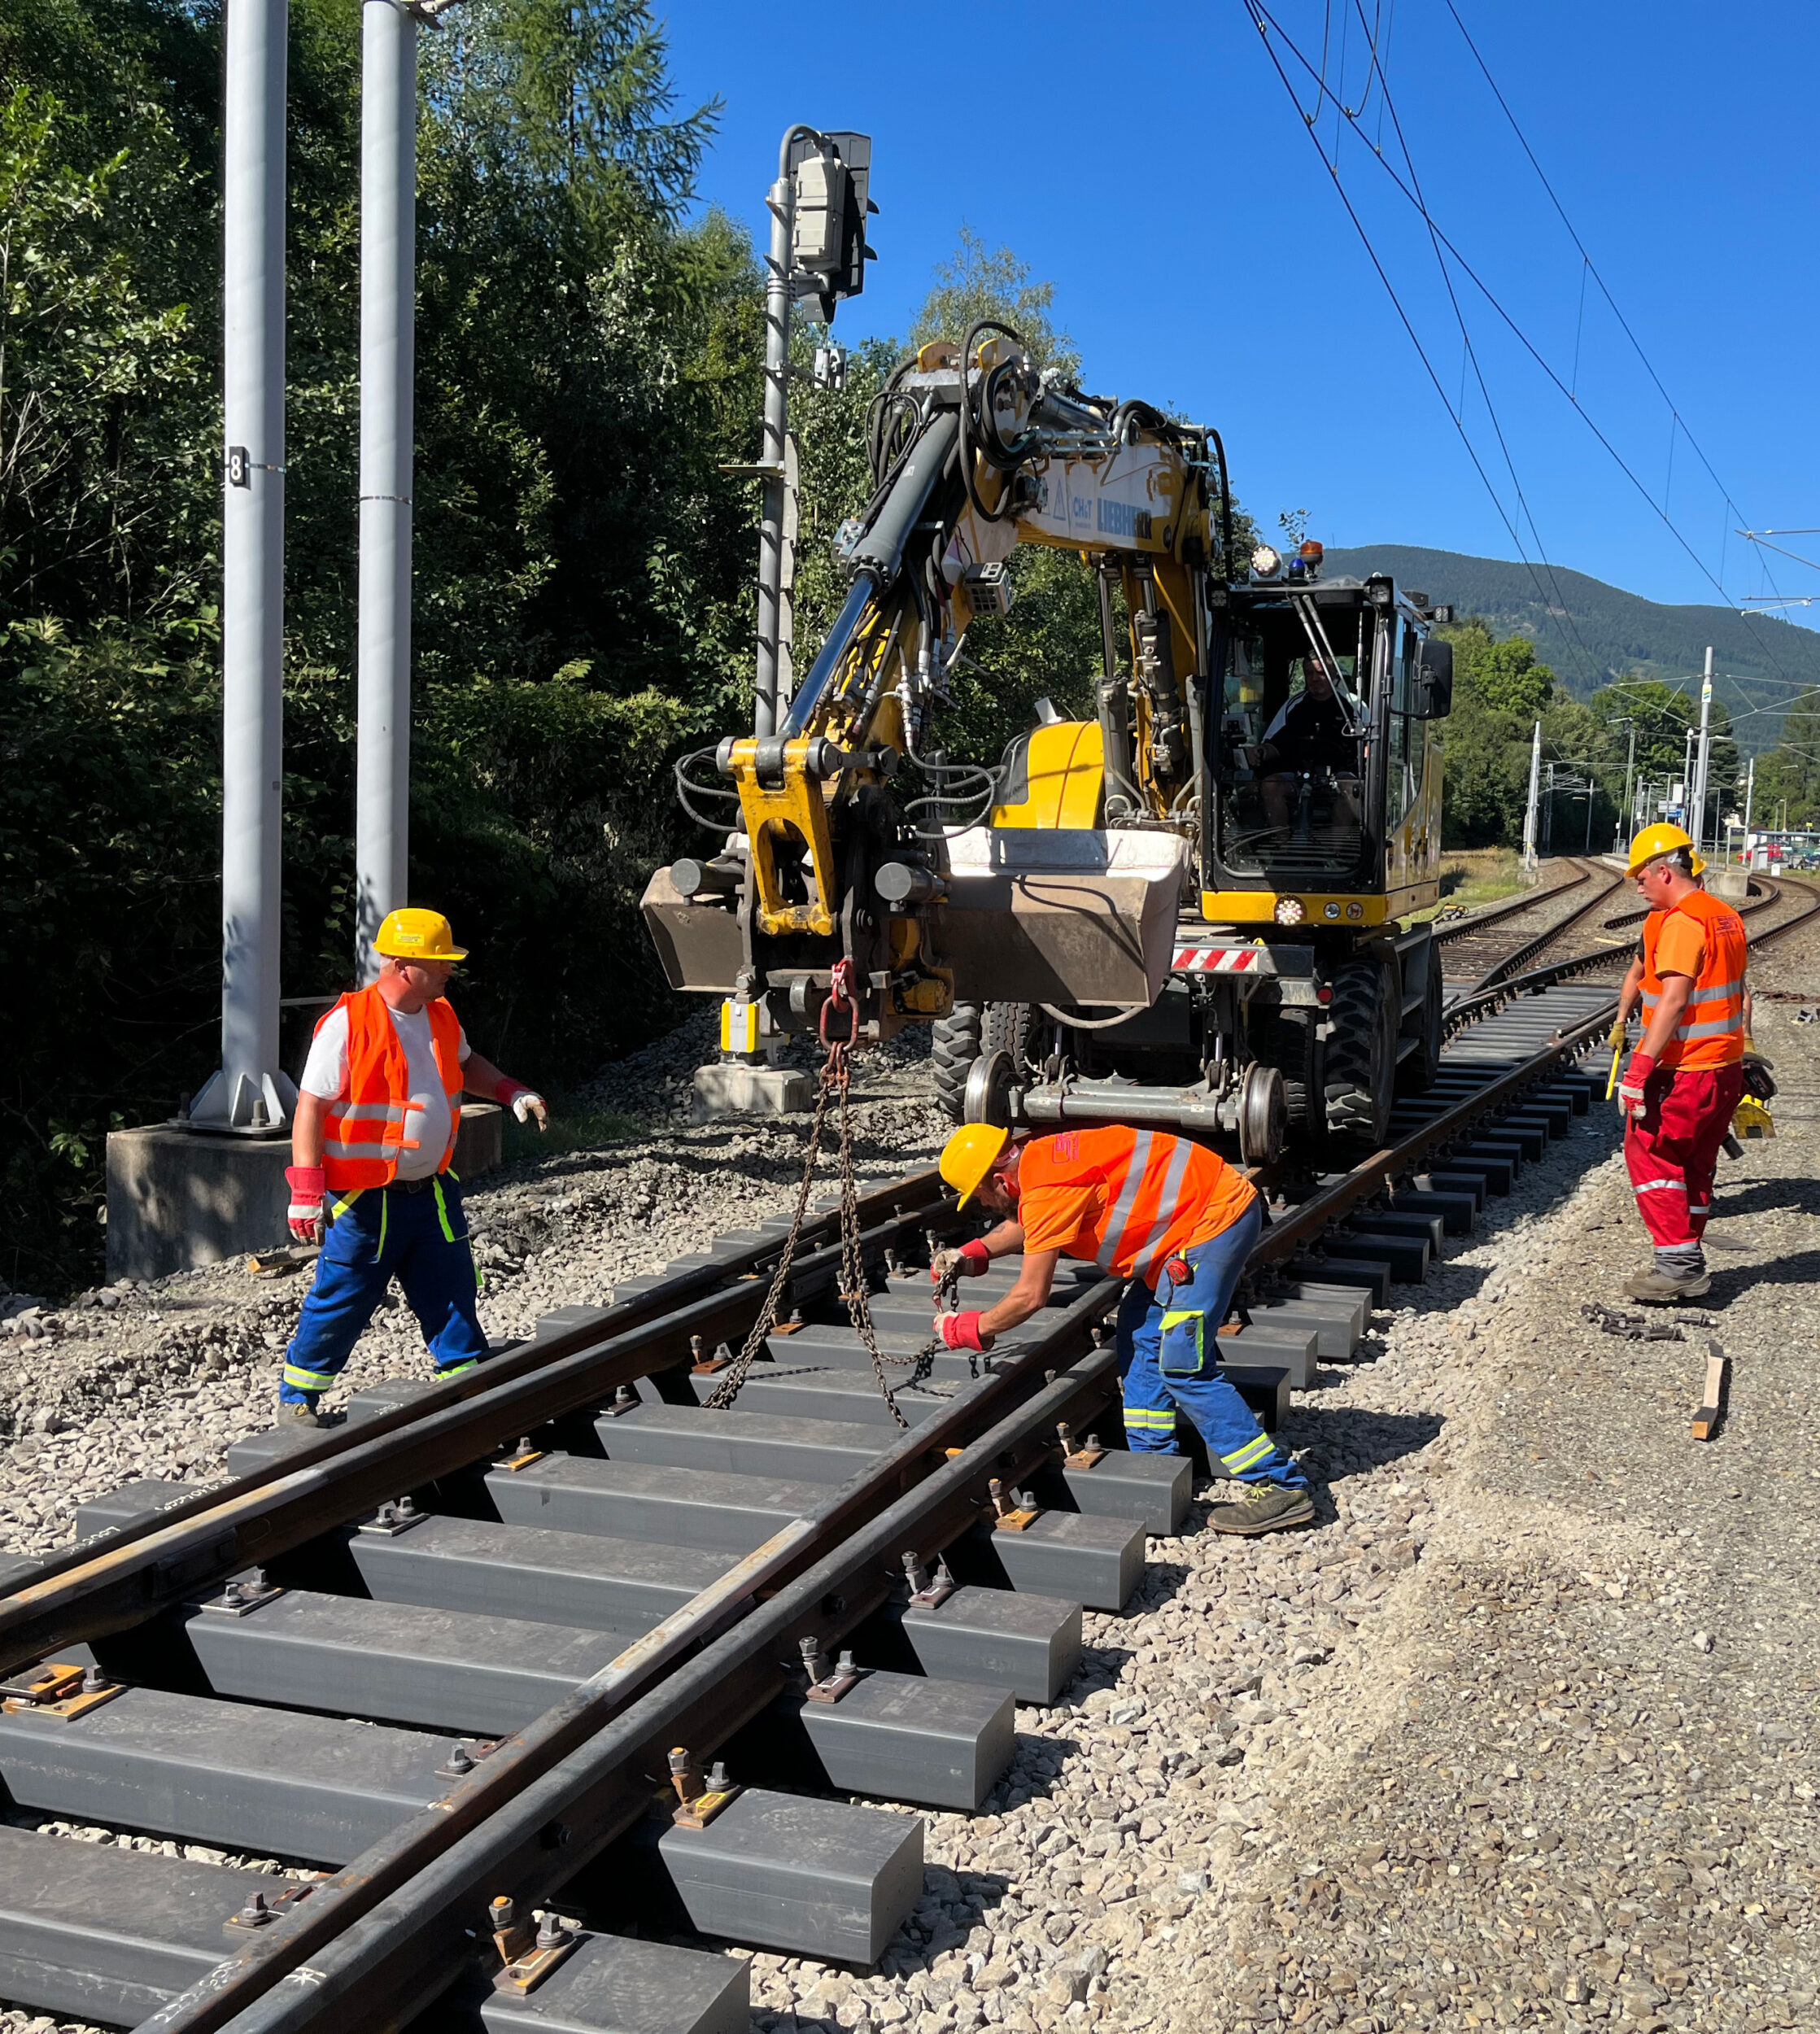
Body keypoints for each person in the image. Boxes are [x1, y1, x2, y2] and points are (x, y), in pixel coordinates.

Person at [931, 1122, 1314, 1537]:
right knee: (1140, 1333)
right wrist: (972, 1253)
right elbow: (1037, 1223)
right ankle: (1155, 1466)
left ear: (1001, 1181)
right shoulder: (1041, 1161)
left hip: (1213, 1223)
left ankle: (1279, 1485)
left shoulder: (1047, 1186)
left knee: (1184, 1366)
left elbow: (1029, 1296)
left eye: (982, 1197)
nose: (985, 1206)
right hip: (1190, 1222)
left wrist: (972, 1328)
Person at [277, 908, 548, 1424]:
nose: (449, 970)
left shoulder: (441, 1015)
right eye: (439, 962)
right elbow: (310, 1107)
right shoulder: (349, 1022)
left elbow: (467, 1065)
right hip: (365, 1200)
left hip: (431, 1191)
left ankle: (464, 1372)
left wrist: (511, 1090)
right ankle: (298, 1397)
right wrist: (307, 1192)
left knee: (449, 1283)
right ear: (402, 965)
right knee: (344, 1294)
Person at [1613, 826, 1747, 1303]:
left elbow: (1672, 1001)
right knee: (1695, 1163)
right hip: (1723, 1065)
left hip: (1686, 1069)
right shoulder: (1724, 915)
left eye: (1641, 876)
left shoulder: (1682, 923)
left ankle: (1678, 1265)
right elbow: (1739, 994)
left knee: (1650, 1153)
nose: (1638, 884)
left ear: (1663, 871)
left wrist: (1639, 1070)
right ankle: (1685, 1255)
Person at [1243, 649, 1360, 834]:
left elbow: (1370, 746)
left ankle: (1338, 855)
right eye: (1309, 673)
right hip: (1297, 776)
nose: (1314, 679)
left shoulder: (1354, 706)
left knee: (1352, 787)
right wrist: (1260, 751)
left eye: (1320, 673)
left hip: (1340, 775)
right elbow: (1273, 744)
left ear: (1334, 675)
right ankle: (1282, 849)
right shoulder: (1293, 706)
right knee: (1271, 785)